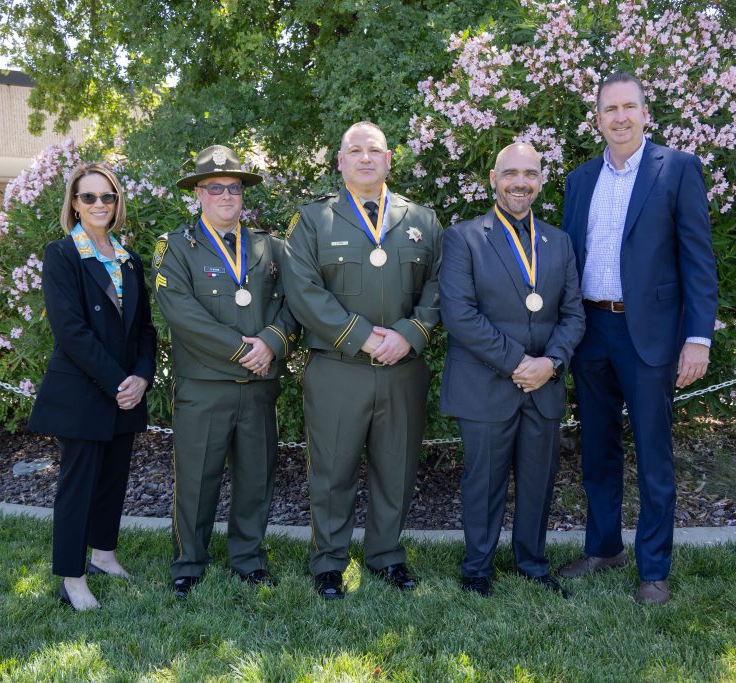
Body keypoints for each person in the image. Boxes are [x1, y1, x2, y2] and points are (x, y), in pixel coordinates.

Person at [558, 72, 718, 605]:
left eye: (629, 107)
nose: (620, 117)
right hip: (590, 331)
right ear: (598, 119)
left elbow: (698, 261)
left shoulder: (677, 169)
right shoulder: (580, 180)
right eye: (610, 109)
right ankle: (604, 548)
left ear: (646, 114)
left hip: (648, 334)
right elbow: (567, 261)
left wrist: (697, 338)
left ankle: (654, 570)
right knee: (597, 450)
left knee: (653, 455)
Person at [283, 121, 442, 599]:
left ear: (389, 160)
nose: (366, 158)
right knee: (332, 470)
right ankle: (329, 561)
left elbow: (440, 285)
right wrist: (362, 337)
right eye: (355, 151)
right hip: (338, 367)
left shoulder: (423, 220)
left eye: (375, 150)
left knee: (397, 467)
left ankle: (386, 555)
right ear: (340, 161)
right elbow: (303, 290)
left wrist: (410, 334)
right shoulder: (314, 220)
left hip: (402, 368)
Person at [153, 144, 298, 598]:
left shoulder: (270, 247)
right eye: (215, 188)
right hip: (204, 385)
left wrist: (272, 342)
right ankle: (189, 562)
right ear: (198, 193)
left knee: (256, 477)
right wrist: (241, 350)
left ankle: (249, 559)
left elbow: (295, 303)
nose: (226, 196)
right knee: (196, 479)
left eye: (234, 188)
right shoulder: (176, 247)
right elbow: (182, 314)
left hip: (259, 385)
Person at [439, 143, 584, 598]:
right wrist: (520, 364)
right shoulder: (463, 238)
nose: (520, 182)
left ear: (540, 180)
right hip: (485, 384)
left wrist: (551, 363)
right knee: (483, 482)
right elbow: (460, 315)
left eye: (530, 174)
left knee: (538, 482)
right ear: (493, 178)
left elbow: (574, 314)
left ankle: (533, 564)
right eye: (511, 173)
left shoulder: (559, 242)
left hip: (543, 386)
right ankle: (477, 569)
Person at [28, 162, 157, 611]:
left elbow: (145, 329)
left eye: (108, 196)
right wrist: (120, 381)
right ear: (75, 204)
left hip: (126, 392)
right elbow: (71, 332)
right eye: (89, 197)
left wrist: (142, 377)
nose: (99, 204)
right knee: (78, 487)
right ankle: (72, 578)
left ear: (117, 203)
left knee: (113, 480)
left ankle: (103, 556)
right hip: (84, 392)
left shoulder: (129, 259)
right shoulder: (62, 255)